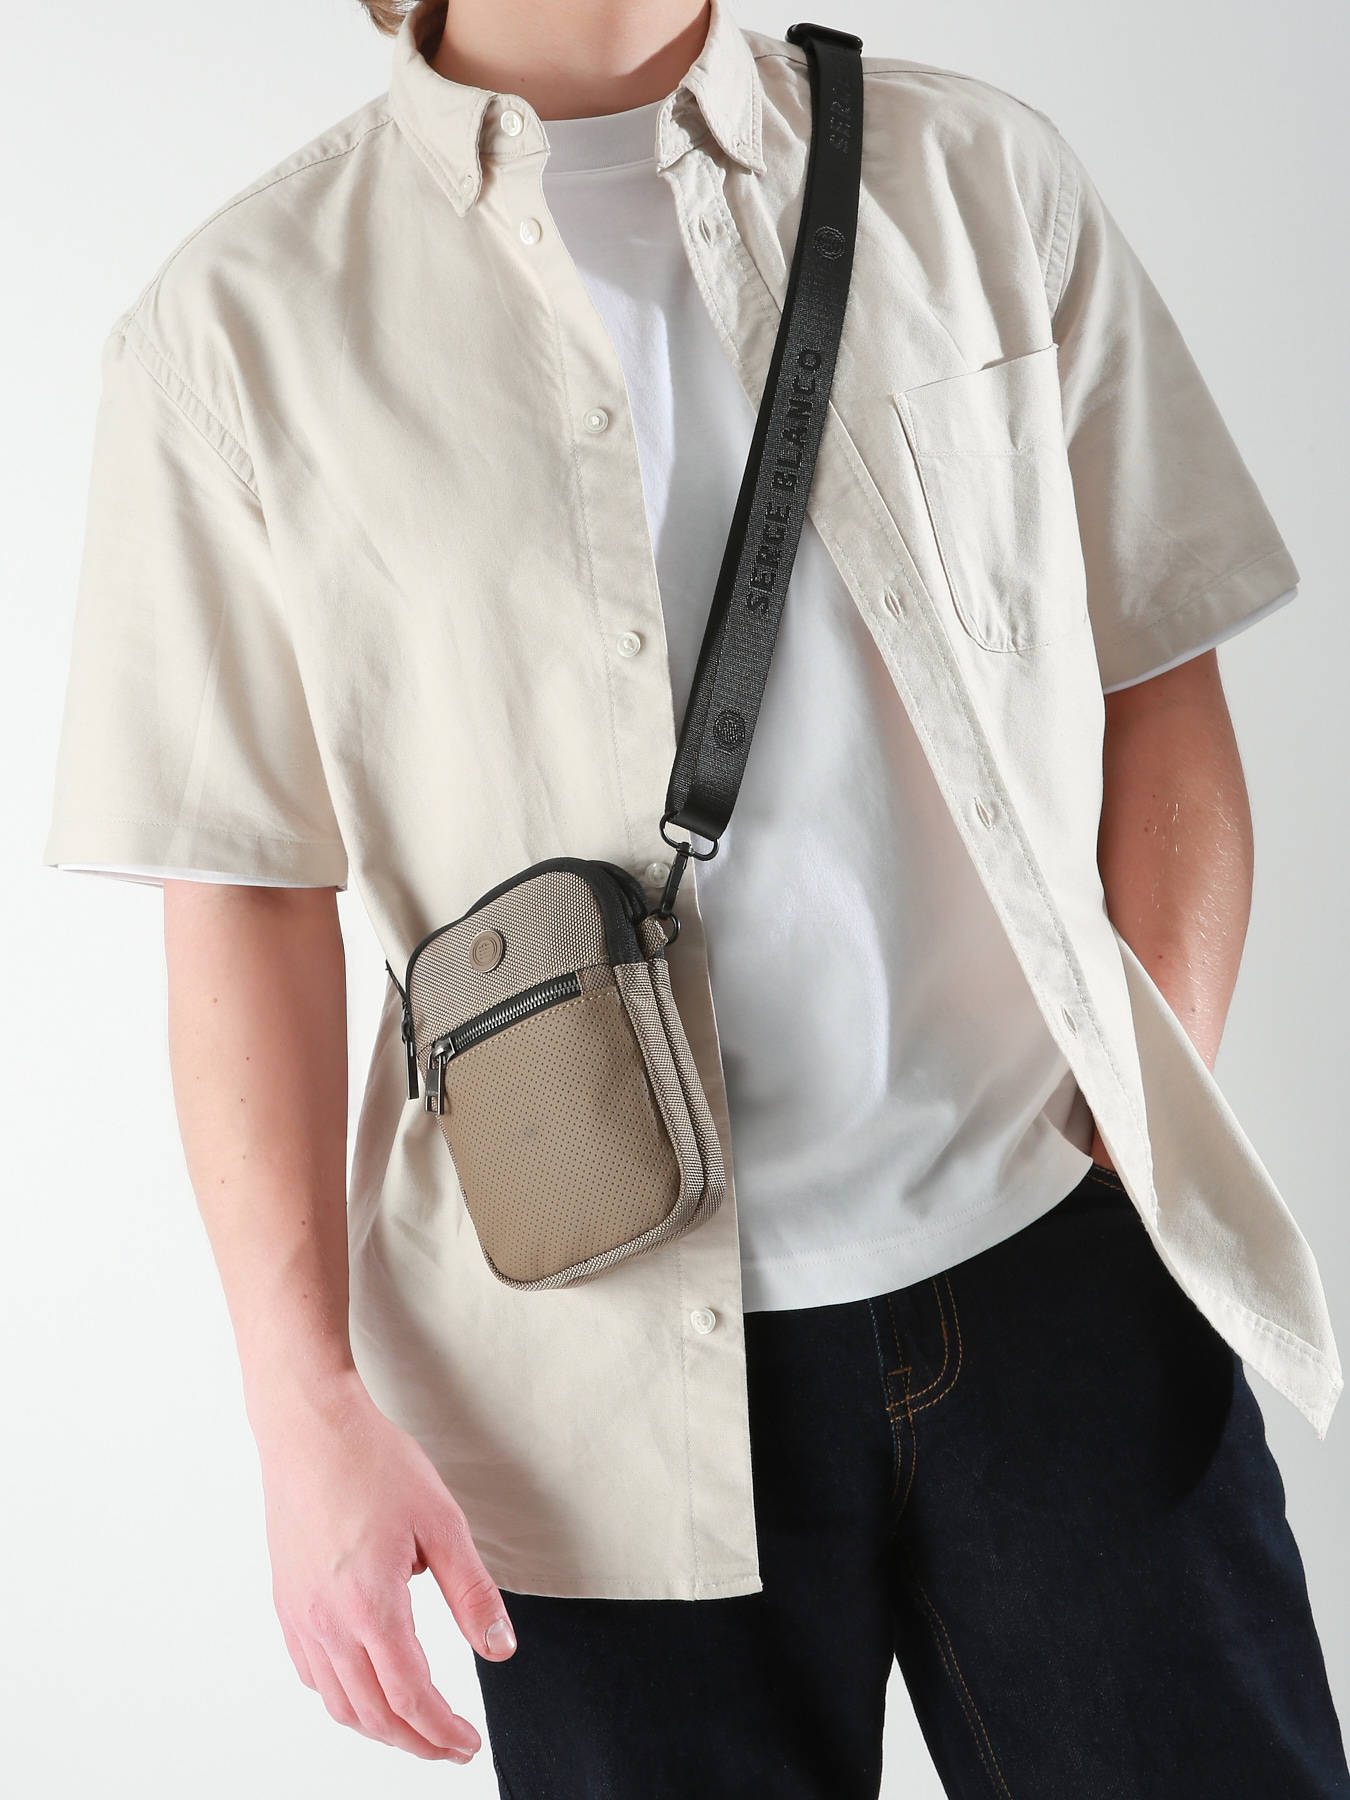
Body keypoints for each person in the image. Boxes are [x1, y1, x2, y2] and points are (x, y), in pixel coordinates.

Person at [42, 0, 1349, 1793]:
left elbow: (1158, 667)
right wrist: (300, 1405)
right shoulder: (237, 324)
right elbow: (245, 895)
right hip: (575, 1376)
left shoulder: (975, 174)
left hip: (1055, 1269)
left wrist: (1137, 1140)